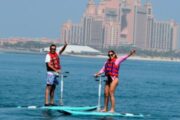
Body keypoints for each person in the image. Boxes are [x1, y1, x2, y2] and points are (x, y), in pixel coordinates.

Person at [44, 42, 67, 106]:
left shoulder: (57, 54)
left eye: (54, 49)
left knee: (53, 87)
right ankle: (46, 103)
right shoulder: (48, 55)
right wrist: (56, 70)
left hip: (56, 73)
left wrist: (65, 45)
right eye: (52, 49)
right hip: (50, 73)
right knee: (49, 87)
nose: (53, 50)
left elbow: (61, 51)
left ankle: (51, 102)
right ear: (50, 49)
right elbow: (49, 65)